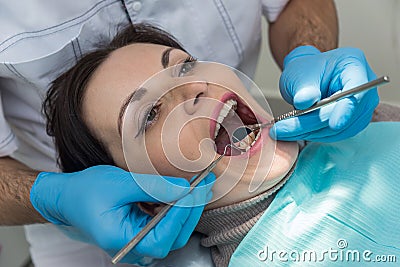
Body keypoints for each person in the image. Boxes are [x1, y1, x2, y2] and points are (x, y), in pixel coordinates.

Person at [0, 0, 379, 266]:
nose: (193, 89)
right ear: (147, 201)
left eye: (184, 66)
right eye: (150, 114)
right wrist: (48, 197)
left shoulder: (372, 121)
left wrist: (308, 53)